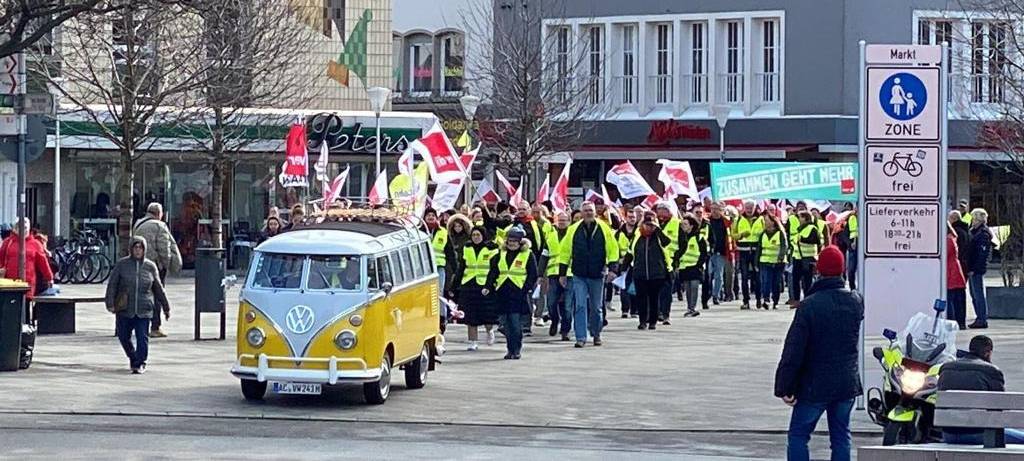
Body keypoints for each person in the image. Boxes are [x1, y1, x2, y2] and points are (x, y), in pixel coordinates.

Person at [774, 246, 863, 461]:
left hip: (815, 385)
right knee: (841, 436)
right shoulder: (856, 301)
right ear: (842, 270)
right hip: (846, 382)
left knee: (798, 435)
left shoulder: (809, 306)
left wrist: (785, 386)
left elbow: (794, 350)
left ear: (819, 270)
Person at [937, 335, 1024, 444]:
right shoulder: (991, 371)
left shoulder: (946, 368)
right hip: (980, 434)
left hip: (949, 434)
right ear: (988, 352)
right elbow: (999, 409)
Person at [105, 237, 171, 374]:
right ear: (131, 249)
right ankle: (133, 357)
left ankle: (140, 362)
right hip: (125, 309)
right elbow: (112, 285)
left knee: (142, 337)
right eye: (135, 247)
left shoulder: (150, 266)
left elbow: (158, 288)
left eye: (140, 248)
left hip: (144, 309)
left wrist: (166, 307)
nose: (138, 250)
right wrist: (110, 303)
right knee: (123, 336)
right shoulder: (122, 265)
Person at [559, 202, 618, 348]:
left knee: (596, 307)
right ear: (581, 212)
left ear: (594, 212)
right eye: (585, 211)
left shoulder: (604, 228)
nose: (588, 213)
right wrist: (562, 273)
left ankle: (596, 333)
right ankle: (581, 337)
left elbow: (612, 249)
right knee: (579, 306)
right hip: (579, 274)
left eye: (590, 210)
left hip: (597, 274)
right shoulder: (573, 230)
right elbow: (565, 251)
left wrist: (612, 269)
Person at [484, 227, 537, 360]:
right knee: (505, 324)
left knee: (515, 323)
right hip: (503, 292)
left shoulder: (528, 255)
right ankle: (509, 349)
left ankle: (516, 349)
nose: (512, 243)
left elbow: (533, 274)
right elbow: (493, 272)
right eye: (510, 240)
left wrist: (525, 289)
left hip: (518, 293)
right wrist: (488, 286)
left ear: (520, 242)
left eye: (515, 241)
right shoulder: (499, 255)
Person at [133, 202, 183, 338]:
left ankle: (139, 324)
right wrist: (165, 265)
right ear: (158, 213)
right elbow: (164, 248)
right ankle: (155, 326)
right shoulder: (160, 226)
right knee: (157, 295)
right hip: (155, 266)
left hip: (139, 264)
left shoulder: (138, 224)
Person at [452, 226, 499, 351]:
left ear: (483, 236)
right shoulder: (467, 248)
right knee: (470, 315)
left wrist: (489, 285)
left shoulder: (491, 249)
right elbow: (461, 267)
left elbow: (494, 270)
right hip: (468, 283)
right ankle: (473, 341)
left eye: (478, 235)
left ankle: (489, 331)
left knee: (486, 313)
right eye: (473, 235)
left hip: (484, 285)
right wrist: (454, 285)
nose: (476, 237)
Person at [0, 218, 54, 320]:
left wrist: (49, 277)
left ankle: (25, 329)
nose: (23, 230)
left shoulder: (35, 244)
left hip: (28, 282)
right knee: (10, 308)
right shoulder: (8, 242)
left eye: (25, 228)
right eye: (20, 227)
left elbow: (43, 262)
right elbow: (1, 258)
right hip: (9, 283)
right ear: (15, 228)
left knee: (25, 306)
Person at [623, 212, 670, 330]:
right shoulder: (637, 236)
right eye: (647, 224)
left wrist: (658, 230)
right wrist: (623, 267)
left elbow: (666, 242)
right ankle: (642, 321)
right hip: (640, 272)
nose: (649, 227)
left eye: (651, 224)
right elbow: (630, 252)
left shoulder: (658, 237)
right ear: (642, 224)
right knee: (641, 298)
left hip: (657, 273)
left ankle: (653, 321)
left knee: (654, 298)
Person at [424, 208, 456, 331]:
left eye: (433, 215)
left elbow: (450, 253)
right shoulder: (419, 231)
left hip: (439, 268)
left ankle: (441, 319)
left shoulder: (443, 232)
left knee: (439, 293)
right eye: (428, 215)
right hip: (423, 269)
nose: (431, 217)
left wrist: (454, 270)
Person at [545, 212, 573, 340]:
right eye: (560, 220)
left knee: (567, 306)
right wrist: (540, 274)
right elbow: (544, 255)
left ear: (569, 221)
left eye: (564, 220)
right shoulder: (551, 236)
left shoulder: (573, 235)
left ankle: (565, 331)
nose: (562, 222)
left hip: (569, 274)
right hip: (553, 274)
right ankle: (555, 321)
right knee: (551, 303)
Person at [731, 200, 764, 310]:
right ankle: (746, 301)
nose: (749, 210)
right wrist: (741, 235)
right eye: (747, 208)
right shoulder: (738, 219)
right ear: (744, 208)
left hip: (756, 251)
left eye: (751, 208)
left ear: (755, 208)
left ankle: (759, 299)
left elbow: (765, 233)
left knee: (757, 277)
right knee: (744, 277)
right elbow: (733, 235)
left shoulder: (761, 219)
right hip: (743, 251)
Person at [675, 213, 708, 318]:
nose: (682, 226)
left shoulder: (699, 237)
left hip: (695, 267)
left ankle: (692, 308)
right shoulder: (681, 237)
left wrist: (699, 264)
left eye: (685, 224)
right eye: (682, 224)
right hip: (684, 267)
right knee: (687, 289)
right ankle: (689, 308)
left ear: (691, 225)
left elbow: (704, 253)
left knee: (694, 288)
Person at [654, 202, 681, 323]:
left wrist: (676, 259)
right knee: (655, 290)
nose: (661, 212)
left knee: (667, 290)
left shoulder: (676, 224)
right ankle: (657, 312)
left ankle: (665, 314)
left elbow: (683, 244)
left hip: (669, 263)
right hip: (655, 262)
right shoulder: (653, 224)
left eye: (663, 209)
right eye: (659, 209)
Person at [966, 208, 993, 329]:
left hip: (976, 269)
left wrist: (975, 268)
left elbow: (982, 255)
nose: (972, 220)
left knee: (978, 294)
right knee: (974, 294)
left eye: (973, 218)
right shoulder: (974, 231)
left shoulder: (983, 233)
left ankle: (982, 318)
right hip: (972, 267)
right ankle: (979, 317)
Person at [758, 215, 788, 310]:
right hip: (765, 262)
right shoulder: (763, 234)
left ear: (773, 222)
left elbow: (784, 246)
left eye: (767, 221)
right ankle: (766, 300)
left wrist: (781, 257)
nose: (765, 223)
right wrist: (756, 261)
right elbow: (759, 248)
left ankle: (775, 301)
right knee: (766, 281)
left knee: (776, 282)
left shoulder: (780, 233)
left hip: (778, 263)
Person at [791, 211, 821, 305]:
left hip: (808, 258)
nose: (799, 219)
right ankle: (796, 300)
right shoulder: (799, 229)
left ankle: (807, 300)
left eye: (800, 217)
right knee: (795, 280)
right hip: (798, 258)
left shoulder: (812, 228)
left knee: (807, 281)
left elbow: (816, 240)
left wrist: (803, 240)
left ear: (805, 218)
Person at [615, 208, 640, 319]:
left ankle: (634, 310)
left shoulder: (639, 231)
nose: (632, 219)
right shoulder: (619, 233)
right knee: (624, 287)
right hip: (623, 263)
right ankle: (625, 310)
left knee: (634, 287)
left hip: (636, 263)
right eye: (630, 217)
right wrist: (618, 259)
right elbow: (614, 247)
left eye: (634, 217)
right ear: (625, 218)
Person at [706, 202, 730, 305]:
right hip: (708, 252)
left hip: (721, 252)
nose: (714, 211)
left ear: (722, 210)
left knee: (718, 275)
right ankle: (708, 294)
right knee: (708, 274)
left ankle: (716, 295)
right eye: (713, 209)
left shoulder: (726, 222)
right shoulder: (707, 221)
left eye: (717, 209)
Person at [946, 223, 968, 330]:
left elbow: (945, 254)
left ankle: (952, 322)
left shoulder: (948, 240)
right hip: (955, 270)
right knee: (957, 299)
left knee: (950, 298)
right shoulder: (952, 237)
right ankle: (960, 322)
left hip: (950, 271)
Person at [948, 210, 971, 278]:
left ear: (954, 219)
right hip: (965, 262)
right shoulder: (965, 230)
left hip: (959, 263)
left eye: (949, 218)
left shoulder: (956, 232)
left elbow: (958, 248)